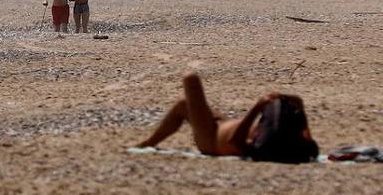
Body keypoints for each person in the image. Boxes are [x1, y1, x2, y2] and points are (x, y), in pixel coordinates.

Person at [136, 73, 318, 163]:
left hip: (212, 140)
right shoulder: (296, 137)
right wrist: (285, 102)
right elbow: (299, 105)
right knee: (184, 105)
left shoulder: (266, 144)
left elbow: (235, 140)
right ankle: (149, 142)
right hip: (222, 124)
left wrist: (257, 107)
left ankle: (148, 143)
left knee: (190, 80)